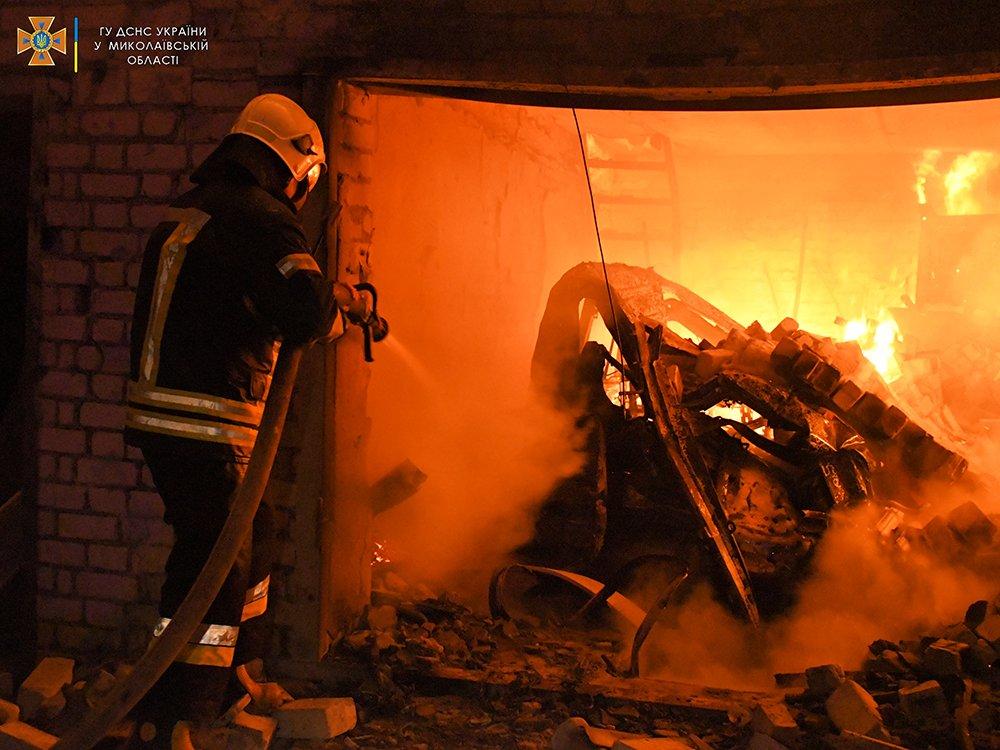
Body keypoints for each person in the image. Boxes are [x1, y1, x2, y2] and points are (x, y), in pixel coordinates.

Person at [123, 94, 372, 747]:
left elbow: (254, 300)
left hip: (174, 414)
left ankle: (236, 680)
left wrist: (329, 302)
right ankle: (177, 710)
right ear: (295, 163)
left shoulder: (200, 208)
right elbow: (305, 311)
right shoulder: (261, 218)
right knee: (214, 561)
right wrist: (339, 304)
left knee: (254, 538)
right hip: (204, 420)